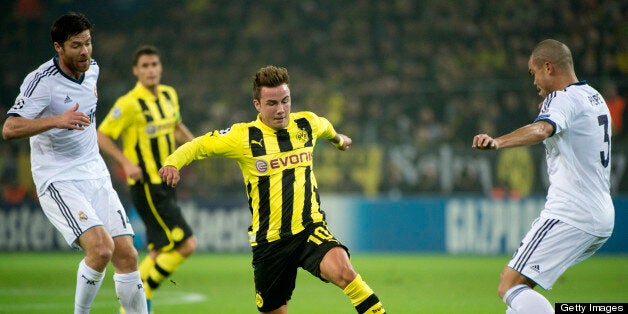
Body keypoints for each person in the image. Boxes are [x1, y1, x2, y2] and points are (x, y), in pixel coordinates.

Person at [158, 65, 386, 314]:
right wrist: (172, 162)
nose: (280, 110)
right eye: (272, 103)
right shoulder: (243, 137)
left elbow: (326, 127)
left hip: (309, 229)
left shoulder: (306, 124)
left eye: (285, 101)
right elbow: (198, 145)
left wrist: (339, 140)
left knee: (346, 273)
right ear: (257, 104)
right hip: (270, 243)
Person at [2, 12, 148, 314]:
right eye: (76, 46)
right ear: (58, 47)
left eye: (88, 43)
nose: (84, 52)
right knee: (101, 249)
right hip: (59, 177)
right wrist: (58, 120)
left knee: (127, 255)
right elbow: (10, 129)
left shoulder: (93, 69)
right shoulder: (41, 81)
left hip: (94, 172)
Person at [472, 39, 614, 313]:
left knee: (509, 285)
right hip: (599, 213)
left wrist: (498, 142)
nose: (533, 81)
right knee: (520, 293)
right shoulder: (594, 96)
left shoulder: (563, 98)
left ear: (548, 67)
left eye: (533, 72)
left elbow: (541, 130)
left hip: (572, 212)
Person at [97, 45, 197, 312]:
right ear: (136, 71)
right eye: (145, 66)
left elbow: (176, 127)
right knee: (186, 244)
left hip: (167, 183)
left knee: (159, 251)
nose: (151, 70)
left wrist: (197, 146)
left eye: (154, 64)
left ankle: (132, 305)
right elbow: (102, 134)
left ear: (160, 67)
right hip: (147, 186)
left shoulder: (168, 95)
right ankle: (143, 293)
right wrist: (126, 163)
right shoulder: (128, 104)